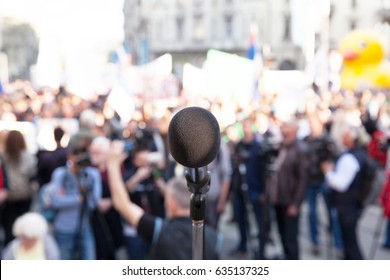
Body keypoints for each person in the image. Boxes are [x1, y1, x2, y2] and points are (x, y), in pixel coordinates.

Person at [107, 140, 222, 260]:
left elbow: (122, 204)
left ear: (171, 204)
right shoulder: (215, 238)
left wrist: (112, 164)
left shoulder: (161, 231)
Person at [321, 125, 366, 259]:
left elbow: (341, 184)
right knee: (349, 243)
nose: (342, 137)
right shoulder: (354, 155)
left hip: (347, 207)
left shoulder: (351, 158)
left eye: (345, 135)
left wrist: (328, 172)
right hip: (350, 206)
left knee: (351, 244)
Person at [50, 144, 102, 260]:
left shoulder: (91, 175)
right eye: (76, 155)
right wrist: (78, 199)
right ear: (69, 157)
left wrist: (73, 197)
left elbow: (94, 202)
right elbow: (55, 201)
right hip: (64, 229)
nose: (79, 159)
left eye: (82, 155)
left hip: (84, 226)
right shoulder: (61, 174)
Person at [269, 119, 309, 260]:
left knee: (291, 236)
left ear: (293, 130)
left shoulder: (300, 149)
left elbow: (303, 180)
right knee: (282, 233)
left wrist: (295, 204)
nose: (281, 127)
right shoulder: (281, 146)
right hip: (279, 198)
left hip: (290, 200)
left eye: (285, 125)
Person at [304, 115, 343, 256]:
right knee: (312, 212)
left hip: (325, 181)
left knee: (332, 213)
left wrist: (330, 168)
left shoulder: (328, 139)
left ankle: (338, 244)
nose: (311, 125)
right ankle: (315, 242)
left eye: (313, 122)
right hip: (311, 181)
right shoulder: (307, 140)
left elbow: (337, 156)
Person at [89, 136, 124, 260]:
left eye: (97, 152)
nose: (93, 155)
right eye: (92, 152)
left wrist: (110, 202)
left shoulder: (115, 169)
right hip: (95, 220)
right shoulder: (89, 169)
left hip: (113, 218)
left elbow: (123, 191)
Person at [1, 130, 37, 246]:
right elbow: (32, 175)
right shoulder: (28, 157)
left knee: (9, 231)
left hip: (9, 199)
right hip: (22, 197)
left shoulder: (3, 156)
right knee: (23, 230)